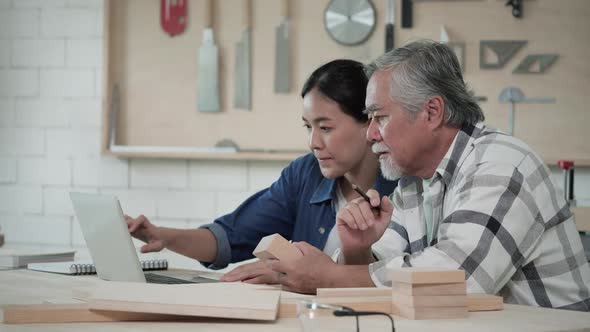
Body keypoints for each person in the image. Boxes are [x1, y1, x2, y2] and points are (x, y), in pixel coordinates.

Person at [270, 40, 590, 311]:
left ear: (432, 112)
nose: (370, 134)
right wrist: (357, 250)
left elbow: (458, 279)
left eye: (379, 117)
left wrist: (325, 276)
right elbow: (382, 271)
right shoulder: (414, 182)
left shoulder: (502, 164)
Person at [126, 59, 398, 284]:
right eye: (308, 127)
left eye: (325, 128)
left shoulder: (406, 190)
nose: (313, 142)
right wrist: (162, 235)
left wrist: (290, 273)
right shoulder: (305, 174)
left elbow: (403, 280)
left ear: (368, 124)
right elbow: (231, 237)